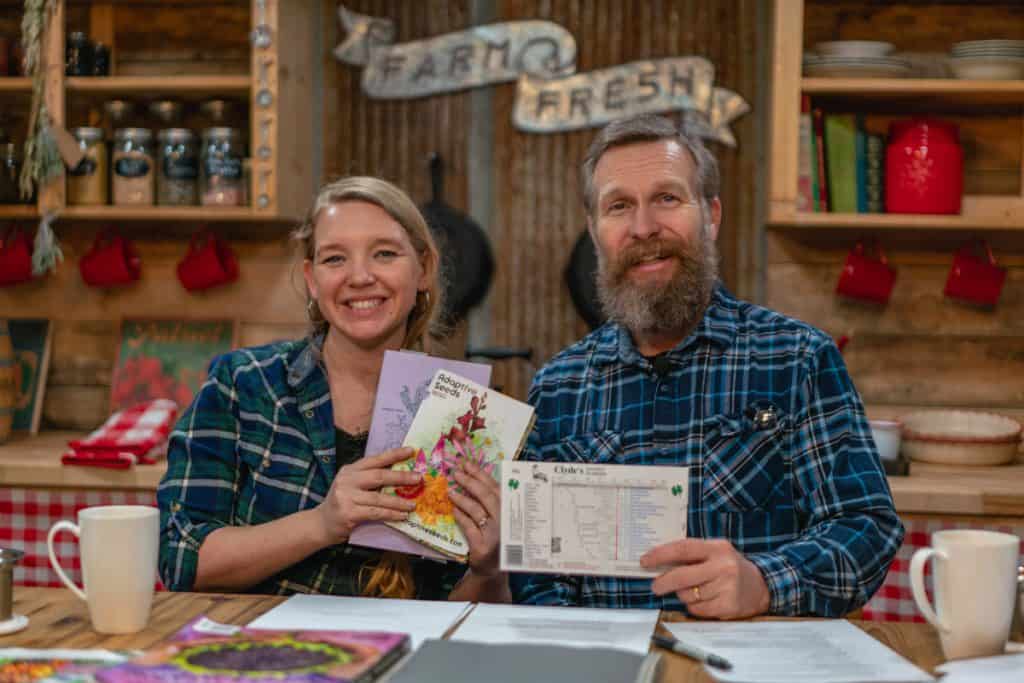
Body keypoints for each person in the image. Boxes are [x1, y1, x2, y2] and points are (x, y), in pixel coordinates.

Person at [511, 114, 903, 618]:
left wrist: (764, 581)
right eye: (618, 206)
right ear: (595, 230)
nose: (643, 227)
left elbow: (866, 526)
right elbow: (539, 576)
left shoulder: (798, 359)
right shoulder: (557, 387)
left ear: (711, 215)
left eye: (668, 199)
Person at [158, 176, 510, 603]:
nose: (360, 276)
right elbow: (180, 560)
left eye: (384, 253)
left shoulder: (465, 416)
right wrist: (323, 523)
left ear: (424, 269)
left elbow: (462, 628)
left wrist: (489, 567)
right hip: (262, 660)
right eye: (335, 259)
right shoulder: (242, 385)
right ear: (311, 278)